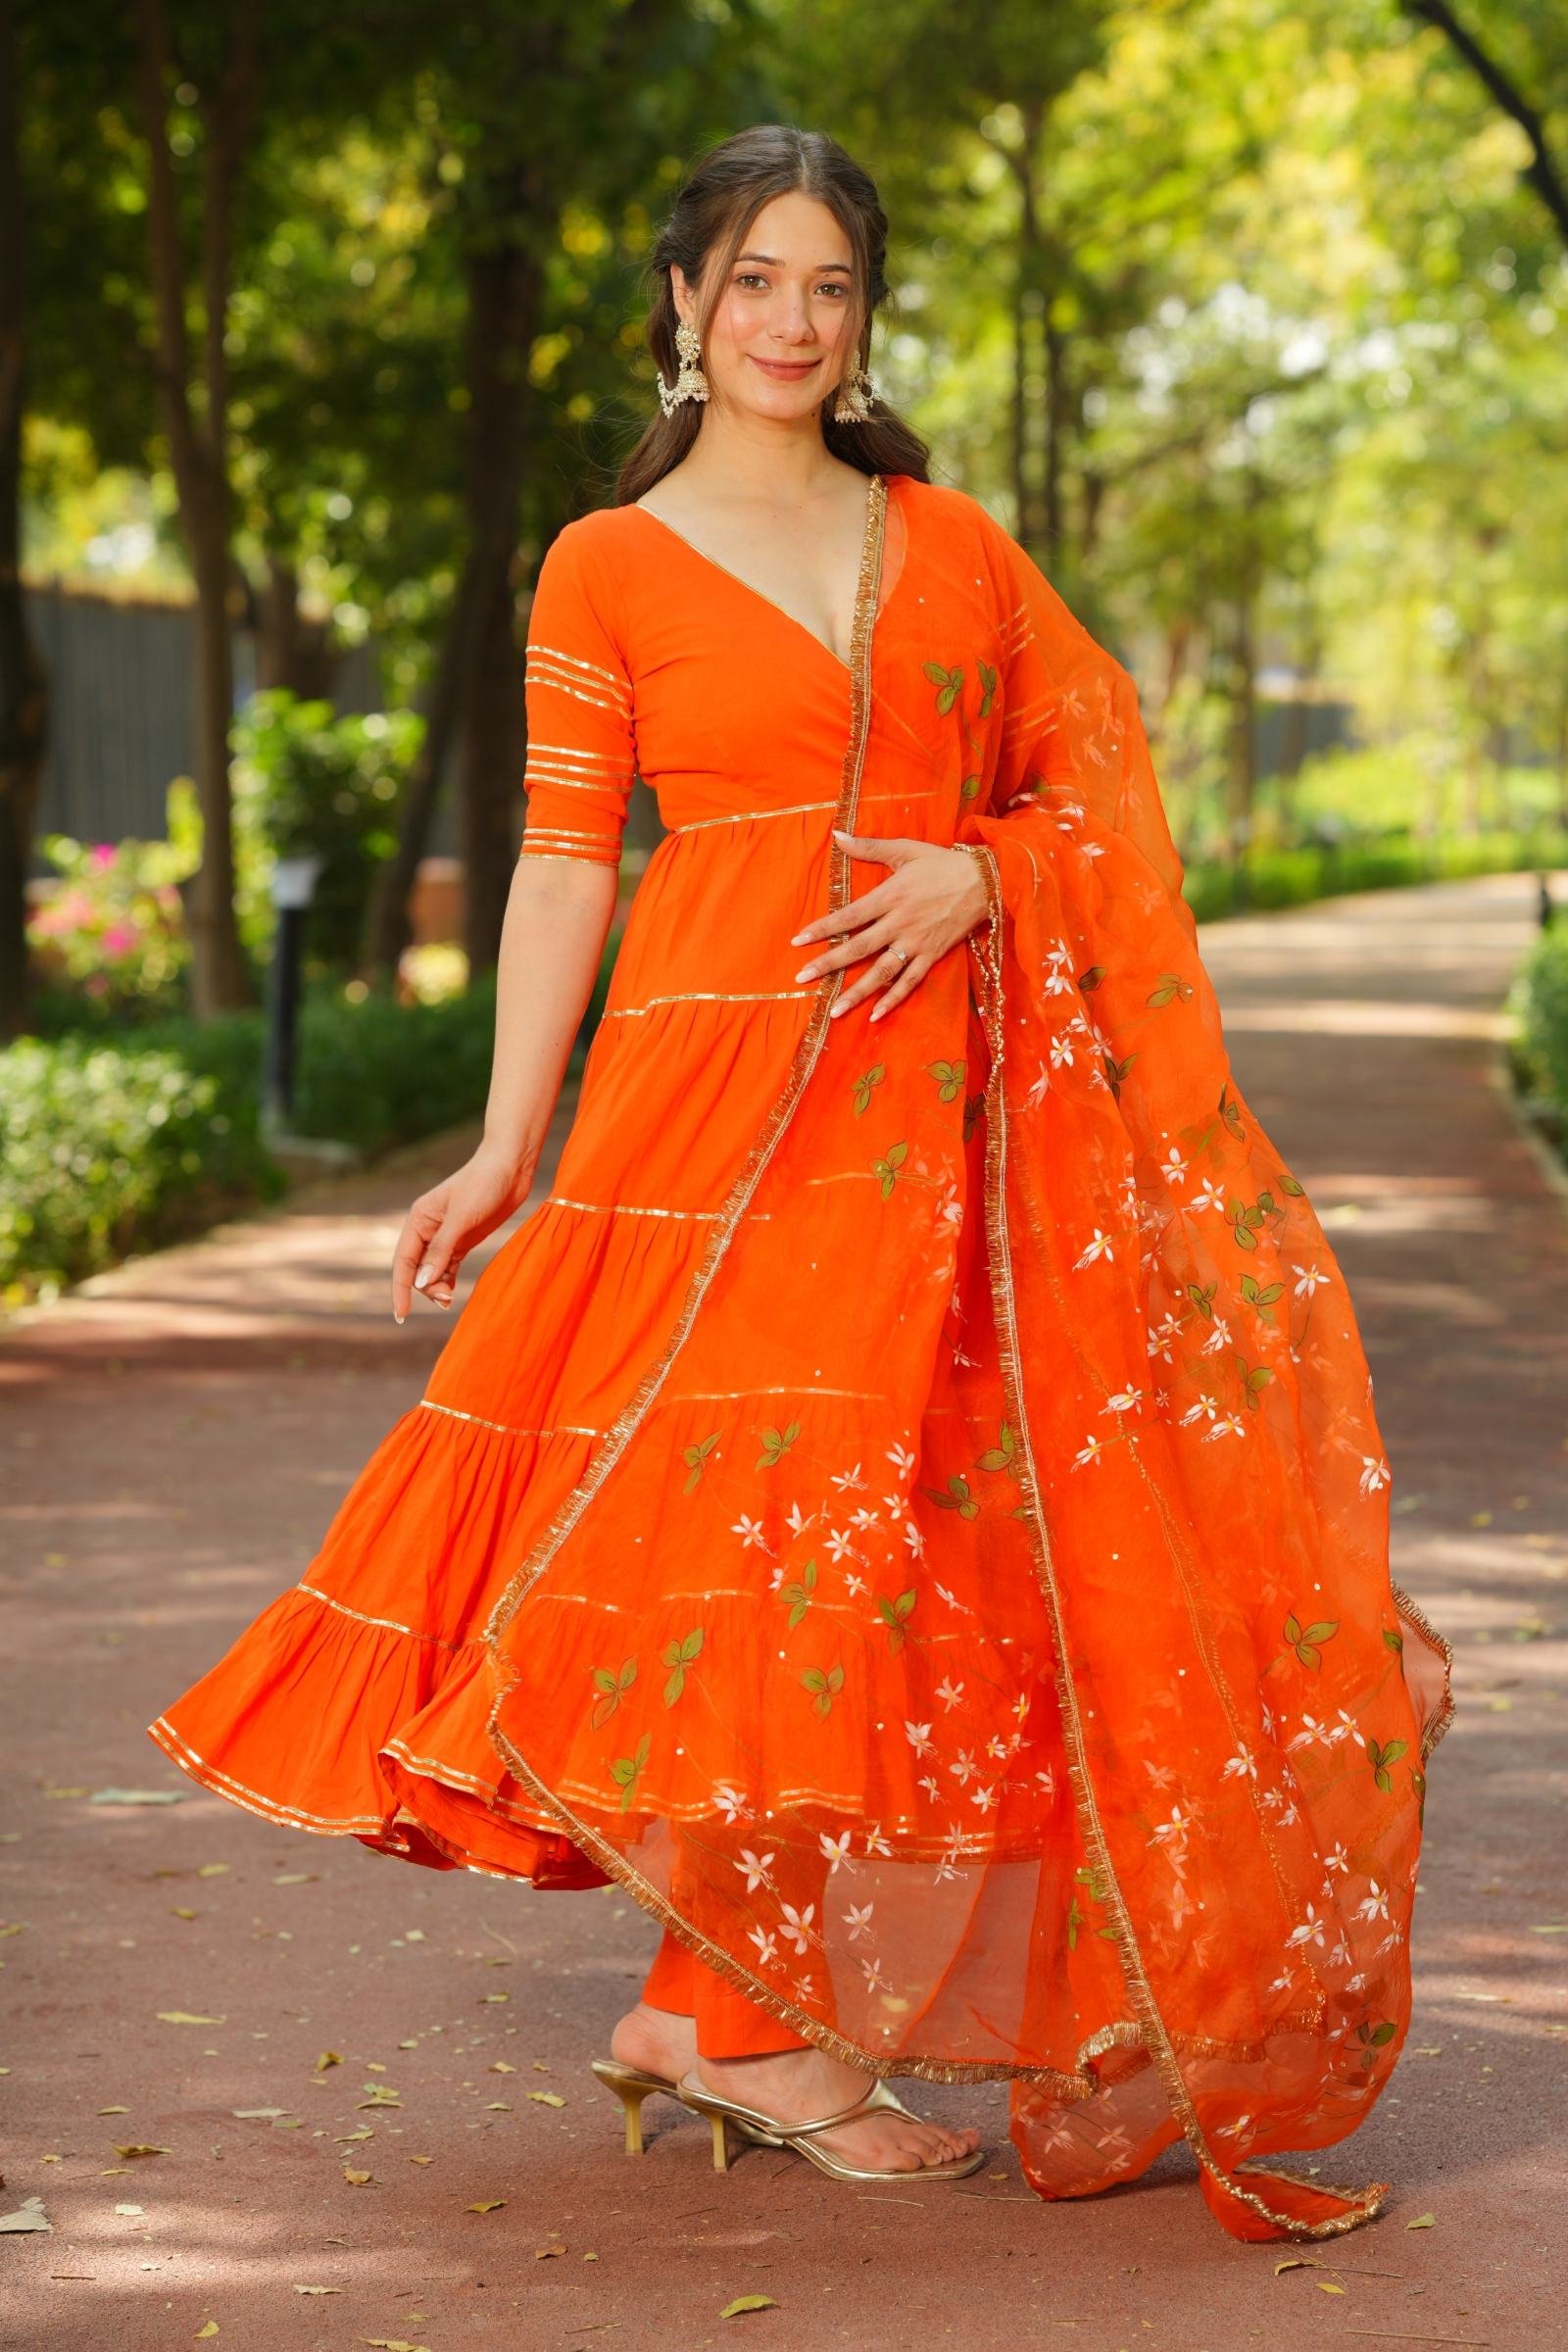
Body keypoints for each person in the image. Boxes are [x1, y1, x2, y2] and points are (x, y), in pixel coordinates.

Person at [150, 123, 1453, 2235]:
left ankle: (707, 2012)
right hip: (704, 1117)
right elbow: (569, 861)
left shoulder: (948, 544)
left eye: (825, 287)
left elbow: (1095, 772)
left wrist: (984, 870)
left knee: (883, 1555)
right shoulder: (602, 564)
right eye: (750, 280)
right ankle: (735, 2018)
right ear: (681, 305)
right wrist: (502, 1139)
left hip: (936, 1127)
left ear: (862, 320)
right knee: (745, 1547)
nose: (787, 320)